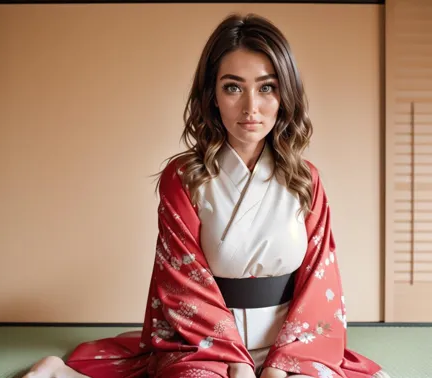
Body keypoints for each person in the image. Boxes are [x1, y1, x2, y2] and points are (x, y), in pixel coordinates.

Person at [24, 13, 390, 378]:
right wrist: (238, 366)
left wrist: (280, 368)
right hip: (202, 346)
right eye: (233, 87)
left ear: (285, 94)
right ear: (212, 95)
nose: (251, 107)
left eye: (267, 87)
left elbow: (319, 283)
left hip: (290, 346)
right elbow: (182, 282)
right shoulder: (184, 178)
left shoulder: (306, 179)